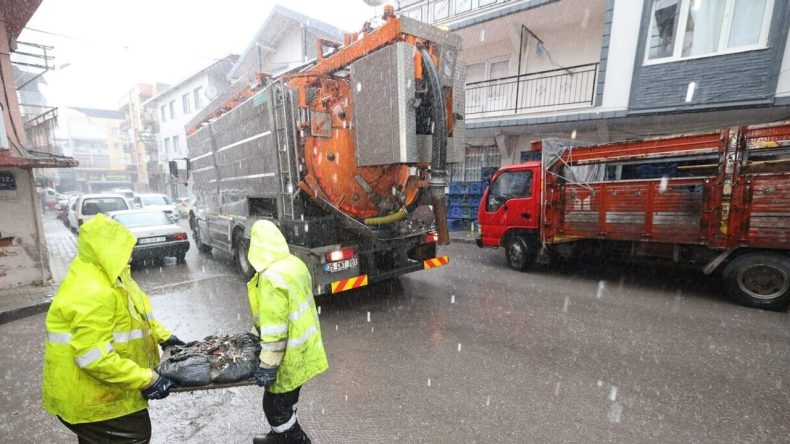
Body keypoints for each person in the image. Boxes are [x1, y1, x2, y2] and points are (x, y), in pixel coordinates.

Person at [42, 213, 185, 443]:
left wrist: (165, 336)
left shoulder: (113, 276)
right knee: (134, 436)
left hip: (104, 391)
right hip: (95, 399)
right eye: (124, 248)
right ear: (107, 250)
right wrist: (147, 379)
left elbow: (136, 317)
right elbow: (94, 358)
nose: (130, 254)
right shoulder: (92, 291)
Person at [247, 220, 328, 444]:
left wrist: (267, 366)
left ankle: (295, 439)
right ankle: (279, 437)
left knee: (275, 408)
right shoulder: (294, 264)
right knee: (289, 400)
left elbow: (275, 331)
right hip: (305, 349)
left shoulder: (271, 278)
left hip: (287, 359)